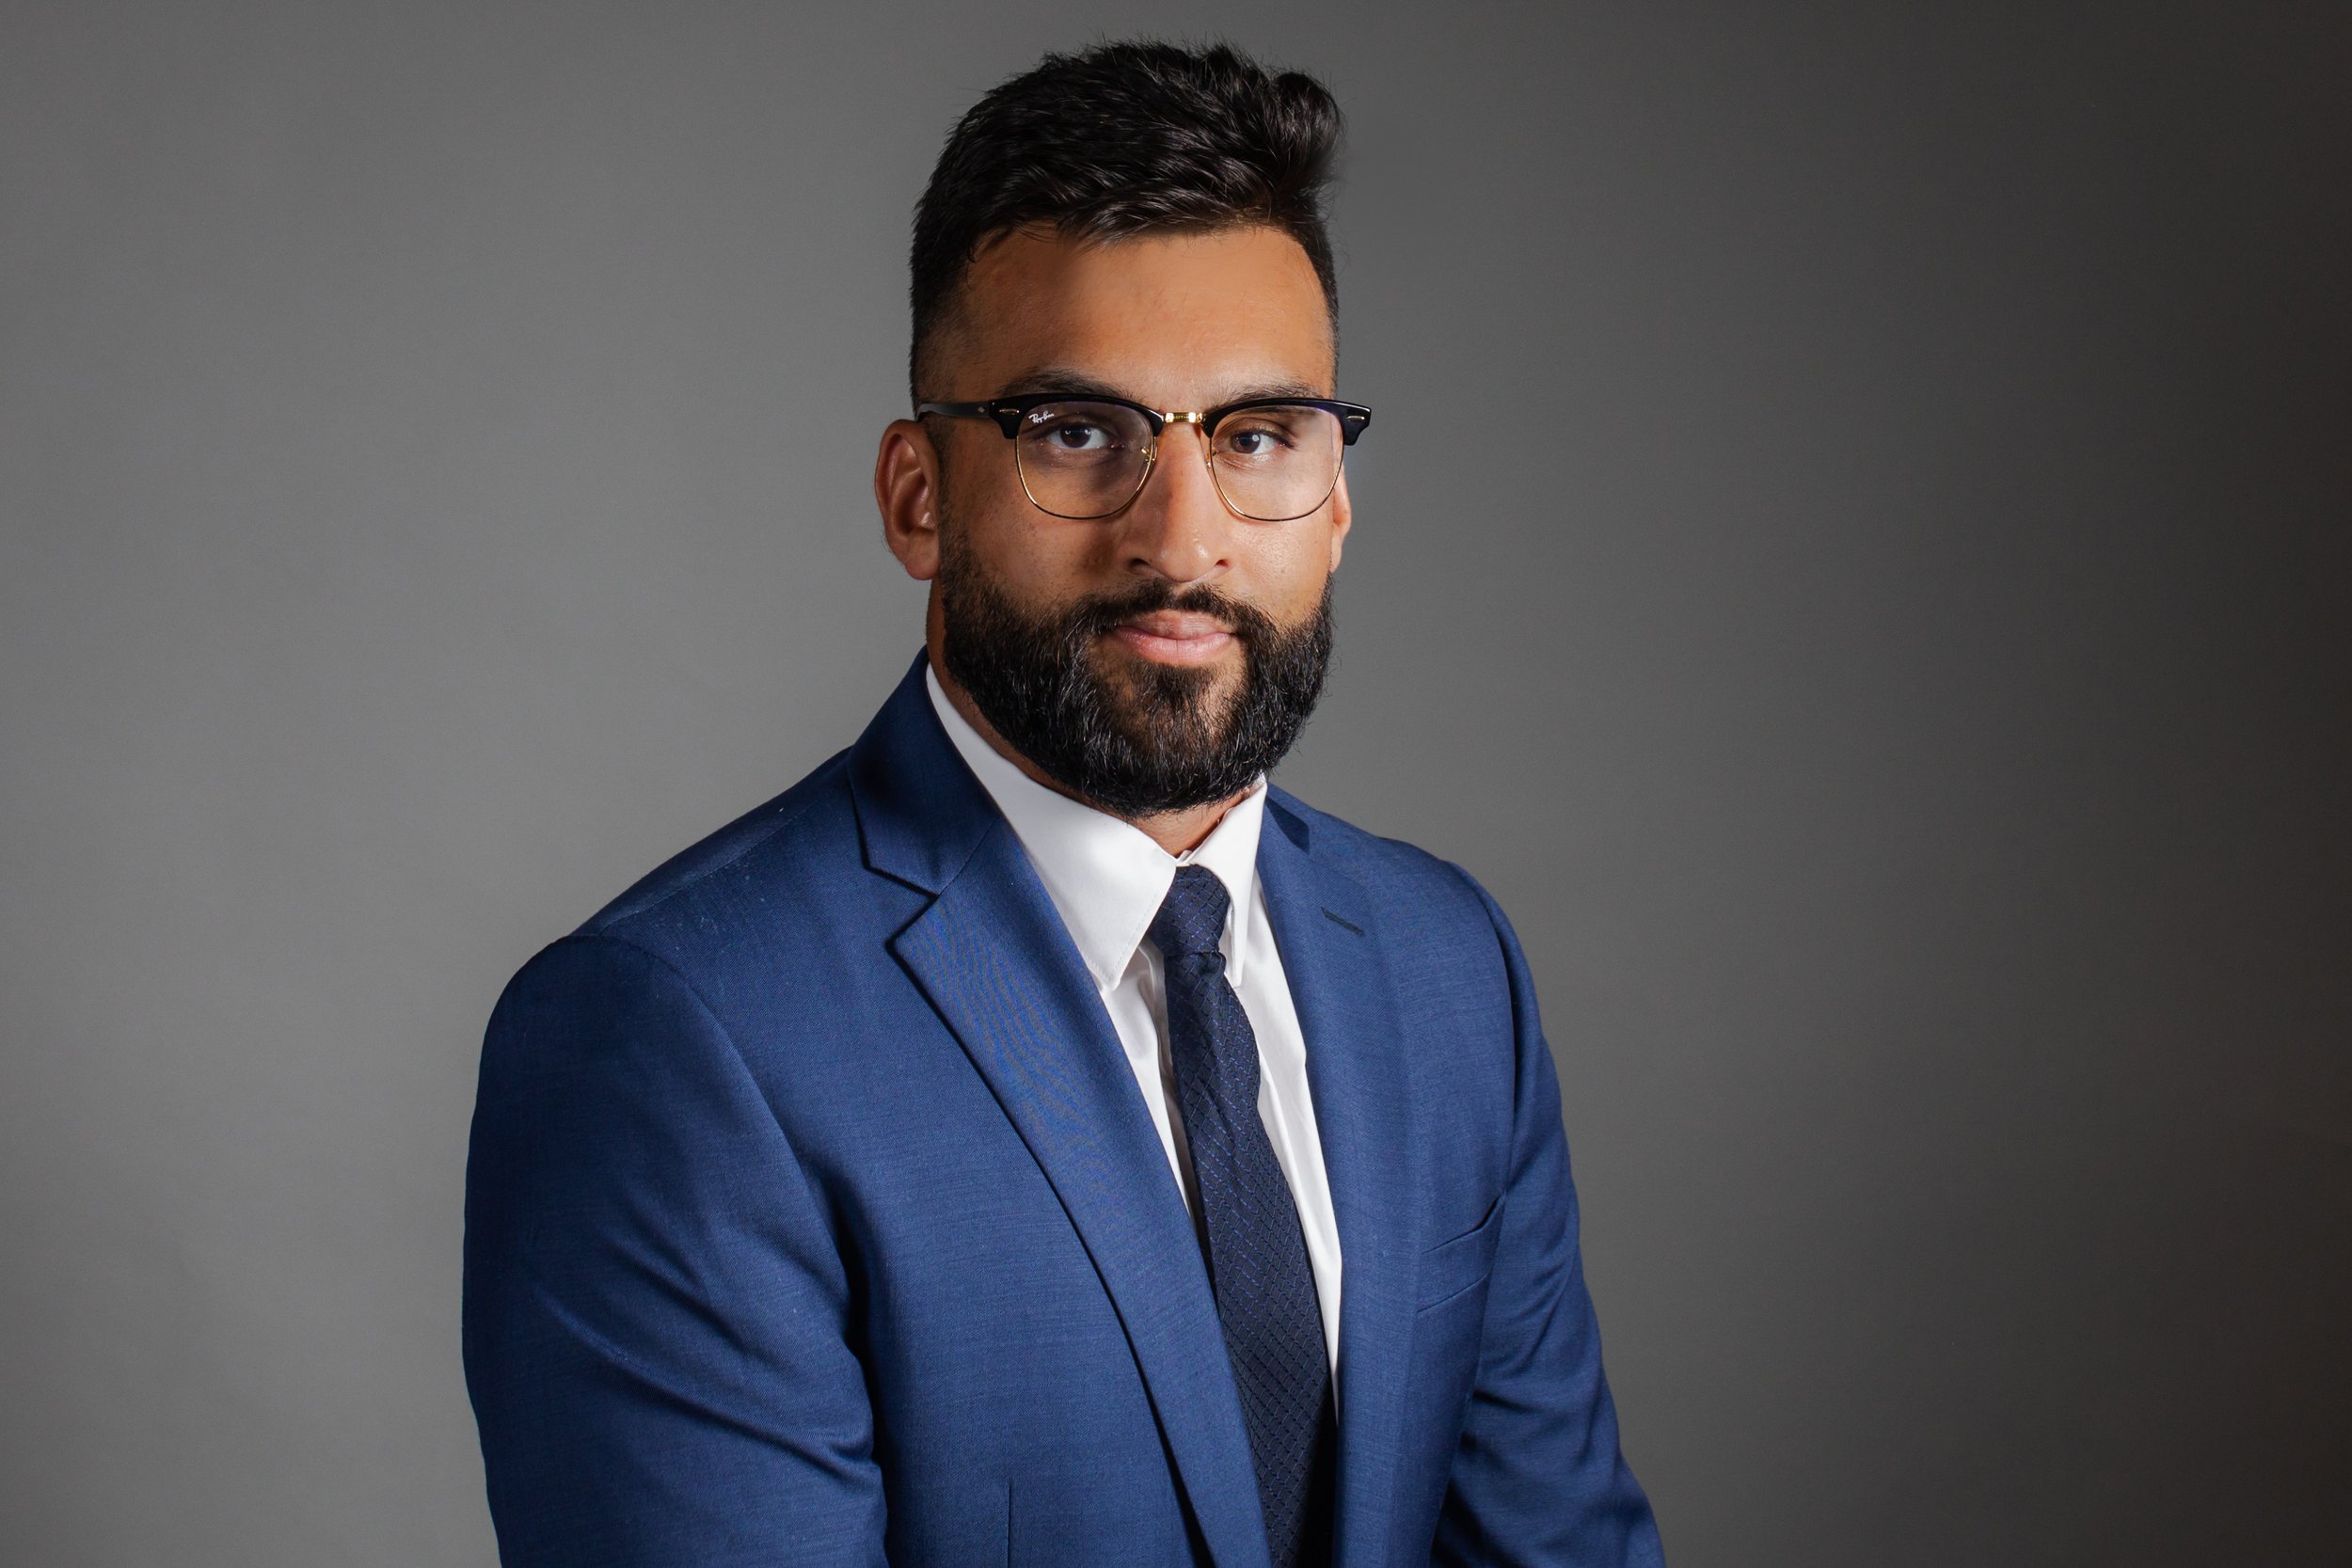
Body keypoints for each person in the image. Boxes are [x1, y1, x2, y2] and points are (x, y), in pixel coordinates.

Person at [462, 39, 1663, 1568]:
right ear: (916, 497)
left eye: (1256, 436)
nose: (1184, 536)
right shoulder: (674, 1041)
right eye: (1077, 433)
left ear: (1336, 497)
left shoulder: (1448, 971)